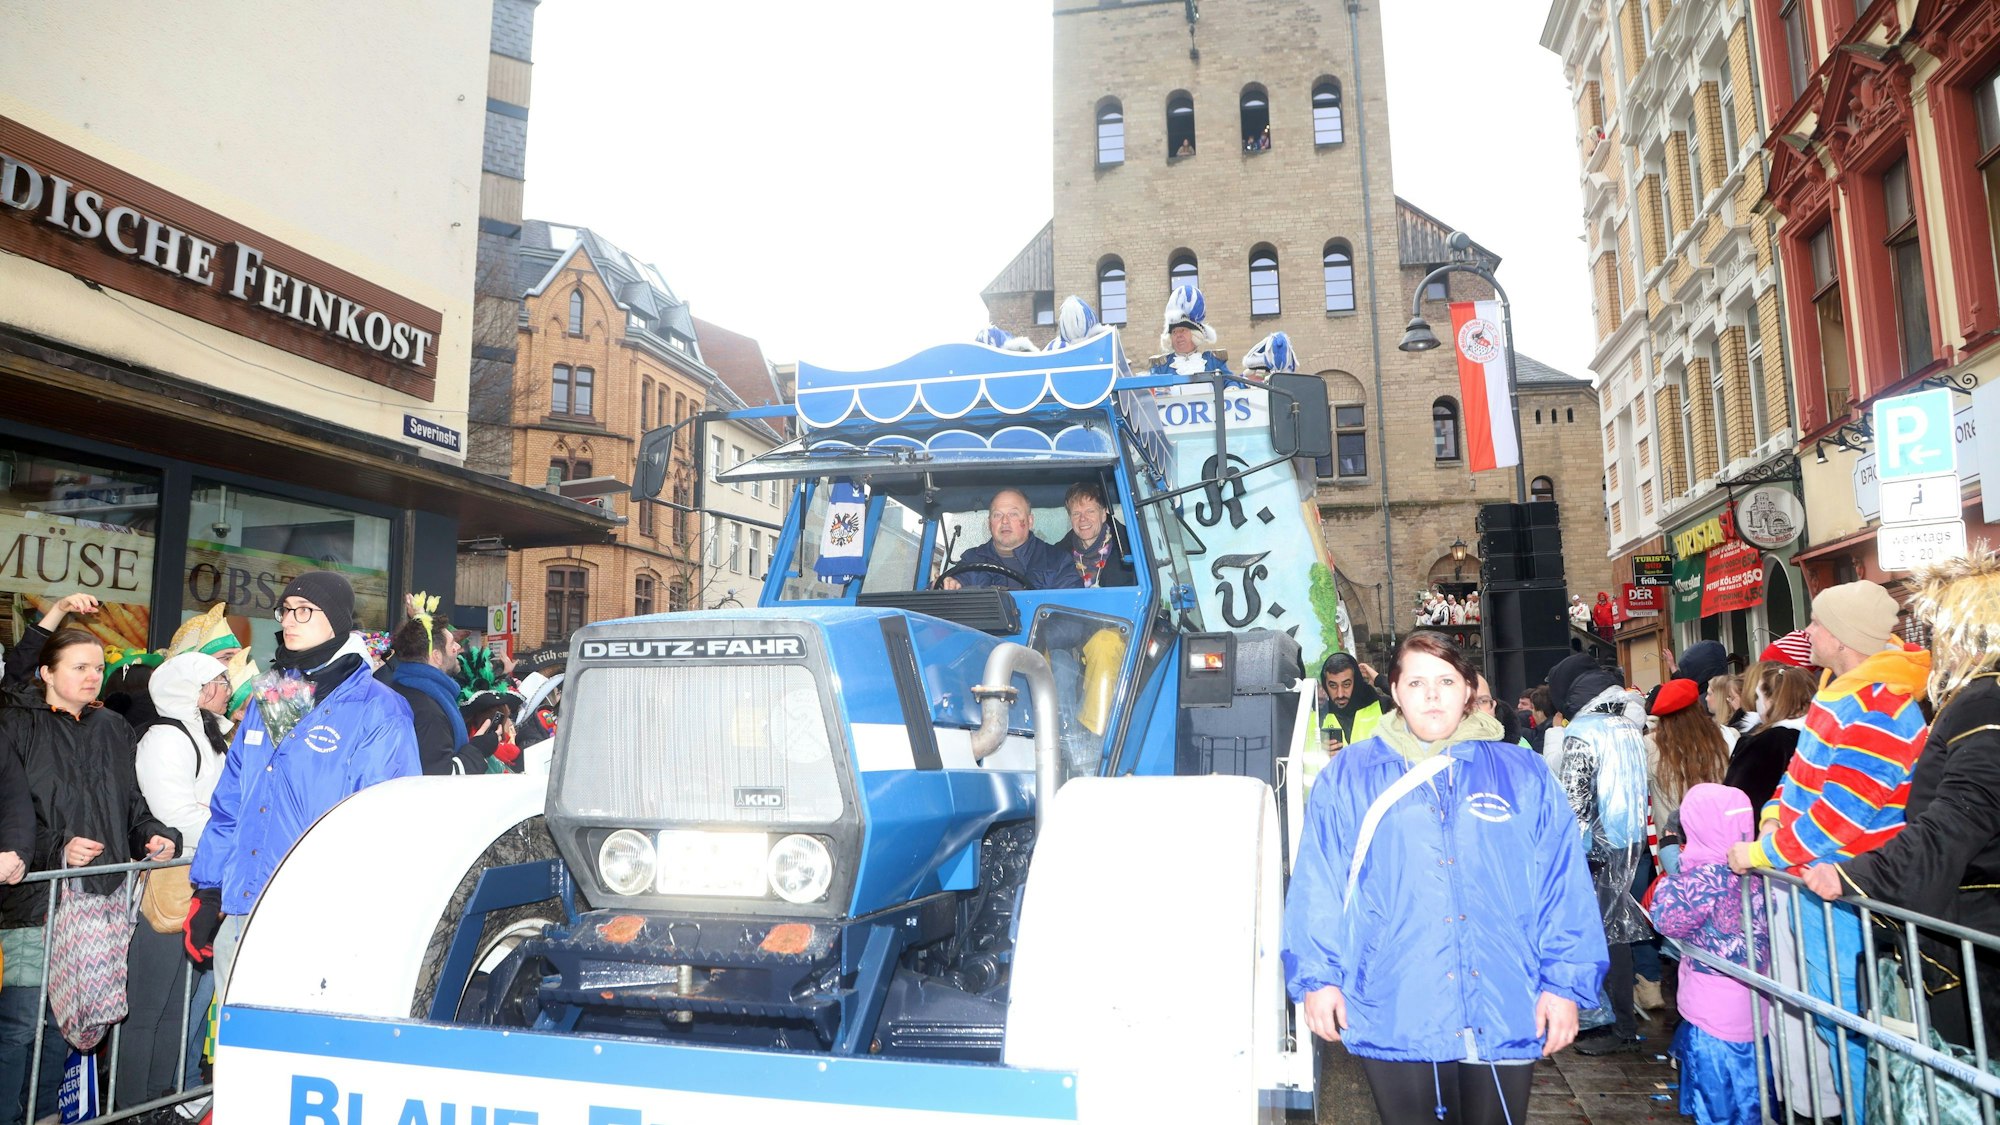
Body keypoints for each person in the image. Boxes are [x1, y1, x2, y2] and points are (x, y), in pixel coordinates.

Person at [1284, 633, 1603, 1124]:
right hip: (1397, 999)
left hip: (1502, 997)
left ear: (1468, 690)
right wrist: (1317, 978)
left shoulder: (1522, 773)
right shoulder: (1348, 776)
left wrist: (1565, 984)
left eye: (1445, 681)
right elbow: (1319, 882)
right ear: (1394, 689)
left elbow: (1562, 885)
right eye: (1416, 681)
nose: (1432, 695)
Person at [1727, 580, 1932, 1120]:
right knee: (1832, 1020)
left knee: (1853, 1022)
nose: (1808, 633)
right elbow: (1795, 783)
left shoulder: (1879, 704)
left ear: (1843, 637)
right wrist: (1771, 820)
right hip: (1818, 889)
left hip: (1849, 896)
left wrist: (1759, 854)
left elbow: (1839, 819)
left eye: (1817, 623)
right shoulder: (1840, 692)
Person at [184, 572, 422, 996]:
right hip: (245, 907)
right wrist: (211, 888)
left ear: (335, 620)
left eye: (304, 611)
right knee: (237, 1052)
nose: (289, 620)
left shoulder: (377, 707)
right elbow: (235, 801)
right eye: (285, 610)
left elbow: (388, 822)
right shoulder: (278, 692)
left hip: (320, 918)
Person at [1801, 548, 2000, 1055]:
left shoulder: (1984, 701)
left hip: (1982, 938)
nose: (1932, 645)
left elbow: (1959, 817)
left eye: (1937, 631)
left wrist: (1857, 875)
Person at [0, 628, 180, 1125]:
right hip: (36, 900)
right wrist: (57, 848)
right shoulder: (15, 726)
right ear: (46, 673)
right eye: (78, 666)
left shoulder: (112, 728)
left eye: (97, 667)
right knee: (19, 1023)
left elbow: (131, 807)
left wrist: (155, 835)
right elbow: (8, 818)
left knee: (67, 1022)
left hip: (100, 899)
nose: (91, 676)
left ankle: (41, 1115)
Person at [126, 652, 232, 1107]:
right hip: (172, 880)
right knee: (148, 1005)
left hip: (203, 875)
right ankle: (130, 1107)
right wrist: (232, 834)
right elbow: (175, 813)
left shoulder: (208, 735)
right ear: (200, 689)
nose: (229, 688)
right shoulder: (166, 738)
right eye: (222, 680)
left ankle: (158, 1100)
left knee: (177, 1005)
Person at [1545, 652, 1652, 1055]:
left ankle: (1612, 1024)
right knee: (1618, 935)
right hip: (1630, 845)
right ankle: (1621, 1023)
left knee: (1602, 938)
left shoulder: (1583, 732)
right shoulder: (1626, 724)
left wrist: (1569, 853)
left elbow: (1575, 804)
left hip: (1595, 852)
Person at [1648, 783, 1769, 1125]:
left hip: (1710, 1015)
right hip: (1756, 1011)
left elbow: (1667, 919)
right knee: (1750, 1101)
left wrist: (1675, 870)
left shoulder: (1700, 878)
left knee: (1715, 1106)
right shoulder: (1761, 875)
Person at [380, 600, 488, 776]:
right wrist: (476, 751)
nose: (458, 647)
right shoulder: (428, 710)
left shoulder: (399, 688)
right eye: (452, 643)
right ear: (437, 656)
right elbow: (438, 779)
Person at [1647, 679, 1731, 855]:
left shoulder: (1650, 745)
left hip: (1675, 851)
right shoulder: (1723, 736)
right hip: (1719, 842)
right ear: (1697, 707)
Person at [940, 489, 1083, 591]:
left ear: (1030, 521)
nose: (1004, 521)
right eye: (997, 515)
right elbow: (940, 598)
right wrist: (945, 586)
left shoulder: (1058, 561)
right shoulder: (971, 561)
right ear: (990, 523)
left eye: (1013, 514)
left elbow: (1072, 614)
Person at [1722, 663, 1813, 811]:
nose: (1756, 702)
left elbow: (1737, 795)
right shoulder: (1820, 735)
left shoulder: (1765, 743)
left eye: (1758, 696)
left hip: (1766, 825)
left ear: (1771, 700)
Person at [1056, 481, 1134, 589]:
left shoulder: (1133, 549)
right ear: (1070, 518)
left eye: (1090, 511)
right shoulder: (1055, 558)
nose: (1082, 519)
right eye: (1076, 513)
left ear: (1103, 514)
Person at [1148, 284, 1228, 377]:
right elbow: (1153, 389)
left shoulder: (1213, 362)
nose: (1178, 335)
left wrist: (1231, 388)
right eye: (1174, 332)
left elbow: (1230, 381)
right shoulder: (1161, 367)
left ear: (1195, 335)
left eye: (1182, 330)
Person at [1318, 652, 1383, 752]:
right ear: (1325, 685)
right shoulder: (1316, 717)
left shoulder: (1382, 707)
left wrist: (1379, 680)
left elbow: (1411, 705)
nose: (1340, 694)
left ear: (1356, 682)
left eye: (1346, 684)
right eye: (1333, 686)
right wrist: (1319, 750)